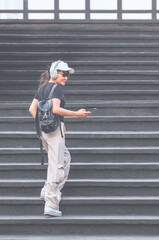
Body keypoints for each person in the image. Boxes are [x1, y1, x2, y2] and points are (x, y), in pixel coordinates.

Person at [29, 60, 91, 217]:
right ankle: (51, 204)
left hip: (44, 131)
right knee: (57, 165)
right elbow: (56, 109)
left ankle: (47, 189)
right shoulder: (56, 89)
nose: (66, 77)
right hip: (55, 131)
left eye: (67, 74)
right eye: (64, 74)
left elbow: (32, 109)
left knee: (64, 158)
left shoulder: (42, 88)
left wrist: (43, 121)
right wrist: (77, 114)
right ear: (55, 73)